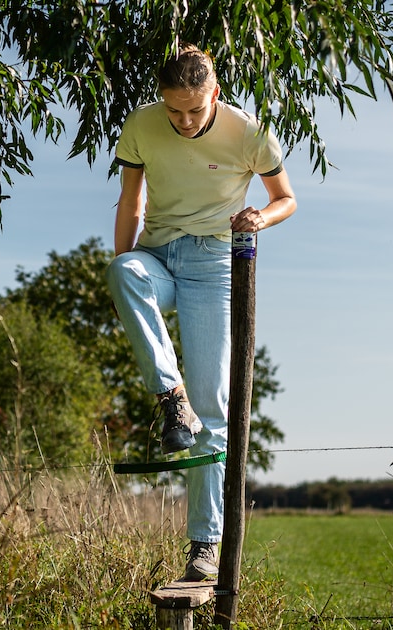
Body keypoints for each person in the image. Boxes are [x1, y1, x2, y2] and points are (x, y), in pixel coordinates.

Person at [106, 44, 296, 582]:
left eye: (195, 109)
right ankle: (172, 399)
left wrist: (261, 217)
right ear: (160, 101)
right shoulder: (141, 125)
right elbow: (130, 200)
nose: (184, 121)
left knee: (215, 408)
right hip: (160, 253)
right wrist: (126, 265)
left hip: (214, 264)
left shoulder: (247, 132)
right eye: (174, 111)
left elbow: (287, 198)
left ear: (215, 93)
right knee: (122, 273)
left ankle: (203, 547)